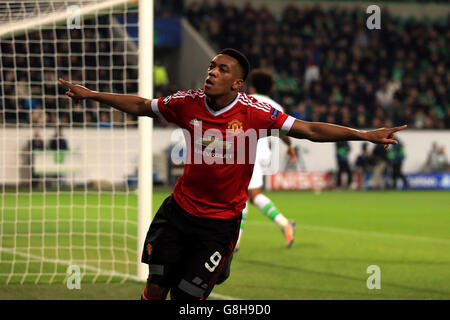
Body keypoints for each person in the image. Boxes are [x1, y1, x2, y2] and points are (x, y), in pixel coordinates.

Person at [59, 48, 406, 300]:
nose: (211, 72)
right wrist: (92, 96)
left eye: (222, 69)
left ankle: (219, 261)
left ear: (238, 83)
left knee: (186, 299)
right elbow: (141, 106)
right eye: (211, 66)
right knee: (155, 288)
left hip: (220, 223)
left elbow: (310, 130)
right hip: (178, 213)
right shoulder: (187, 102)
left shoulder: (259, 112)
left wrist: (363, 134)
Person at [235, 69, 297, 252]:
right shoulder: (276, 106)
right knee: (252, 195)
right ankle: (284, 223)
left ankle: (235, 240)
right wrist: (290, 147)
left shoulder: (245, 100)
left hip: (243, 152)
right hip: (261, 153)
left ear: (251, 86)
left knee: (243, 196)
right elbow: (282, 132)